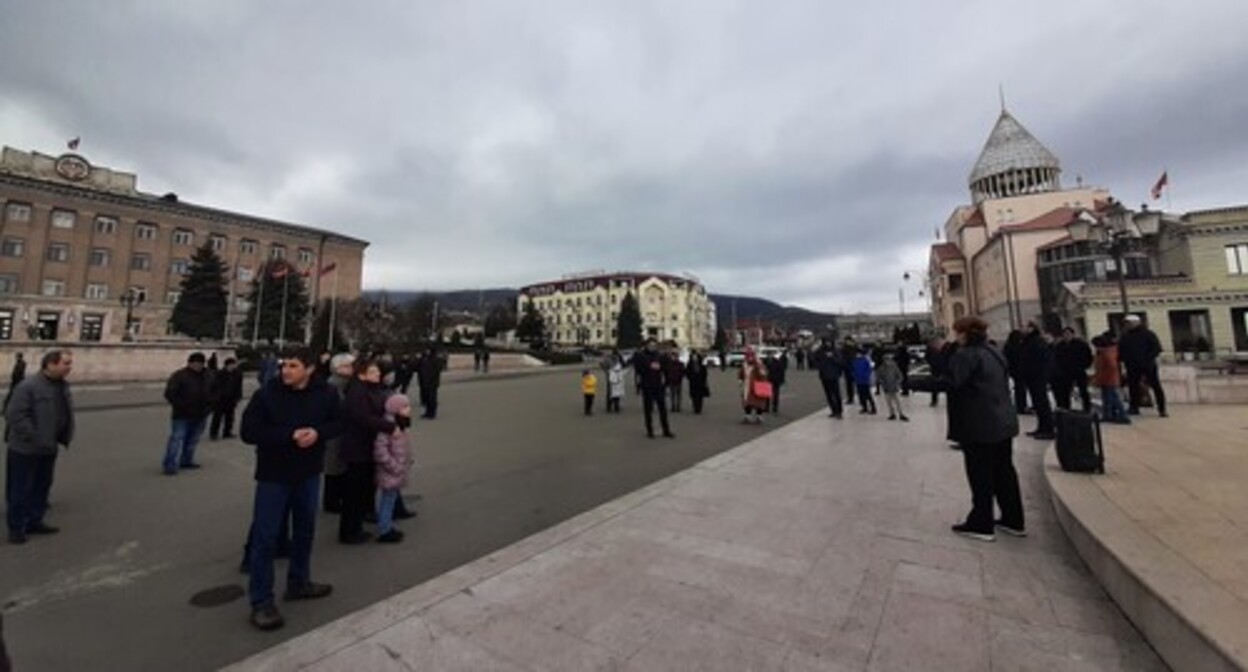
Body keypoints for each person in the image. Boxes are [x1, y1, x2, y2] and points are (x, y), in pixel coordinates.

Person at [240, 347, 341, 631]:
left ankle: (299, 582)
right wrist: (289, 435)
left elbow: (339, 422)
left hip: (308, 473)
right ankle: (261, 601)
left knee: (305, 530)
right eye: (285, 365)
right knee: (266, 536)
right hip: (274, 475)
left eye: (293, 366)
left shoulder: (327, 394)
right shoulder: (267, 394)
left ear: (309, 369)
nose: (285, 371)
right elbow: (248, 432)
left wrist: (319, 433)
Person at [946, 316, 1024, 542]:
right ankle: (1013, 519)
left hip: (979, 424)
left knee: (980, 474)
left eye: (957, 332)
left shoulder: (966, 355)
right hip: (1003, 421)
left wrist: (913, 383)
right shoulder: (994, 351)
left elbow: (952, 382)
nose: (955, 336)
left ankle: (981, 523)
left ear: (964, 333)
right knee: (1004, 472)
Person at [6, 350, 74, 545]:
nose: (69, 368)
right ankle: (16, 527)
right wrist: (34, 436)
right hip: (25, 448)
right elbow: (15, 415)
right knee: (20, 488)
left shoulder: (62, 386)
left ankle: (35, 520)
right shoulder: (28, 386)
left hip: (49, 446)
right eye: (66, 363)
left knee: (41, 486)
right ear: (50, 364)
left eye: (70, 364)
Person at [339, 358, 394, 544]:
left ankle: (357, 524)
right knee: (353, 491)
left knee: (363, 489)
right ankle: (349, 531)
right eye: (373, 372)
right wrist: (389, 426)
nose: (378, 374)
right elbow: (364, 418)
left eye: (377, 371)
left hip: (366, 445)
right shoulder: (357, 392)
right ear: (362, 374)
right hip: (357, 447)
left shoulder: (369, 390)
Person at [162, 352, 212, 474]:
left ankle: (186, 460)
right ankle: (170, 464)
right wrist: (181, 405)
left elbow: (215, 391)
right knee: (177, 438)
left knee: (193, 440)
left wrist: (210, 406)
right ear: (189, 363)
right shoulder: (179, 376)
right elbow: (170, 393)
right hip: (182, 414)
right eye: (195, 363)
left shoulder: (208, 375)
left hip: (201, 413)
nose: (197, 366)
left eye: (200, 363)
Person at [373, 393, 413, 544]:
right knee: (387, 500)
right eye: (405, 407)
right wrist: (394, 466)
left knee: (390, 498)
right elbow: (380, 451)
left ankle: (387, 525)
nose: (409, 409)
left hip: (397, 469)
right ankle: (385, 529)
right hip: (391, 471)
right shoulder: (388, 427)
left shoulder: (399, 424)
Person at [322, 353, 356, 514]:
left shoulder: (345, 383)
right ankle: (331, 501)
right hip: (334, 432)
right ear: (338, 368)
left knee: (339, 465)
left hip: (341, 430)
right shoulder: (334, 385)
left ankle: (336, 498)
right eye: (348, 366)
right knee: (333, 466)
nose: (352, 369)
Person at [1119, 315, 1167, 417]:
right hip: (1132, 365)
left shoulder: (1148, 334)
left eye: (1128, 323)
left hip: (1148, 365)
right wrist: (1124, 360)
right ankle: (1134, 407)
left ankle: (1162, 409)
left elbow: (1156, 348)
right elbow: (1122, 351)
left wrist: (1146, 358)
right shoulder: (1126, 336)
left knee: (1155, 386)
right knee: (1133, 386)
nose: (1127, 325)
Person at [1019, 323, 1055, 440]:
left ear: (1031, 328)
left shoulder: (1037, 341)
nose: (1022, 329)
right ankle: (1041, 427)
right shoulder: (1029, 341)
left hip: (1037, 377)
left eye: (1024, 327)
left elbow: (1042, 361)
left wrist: (1041, 375)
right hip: (1032, 377)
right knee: (1038, 403)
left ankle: (1048, 429)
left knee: (1042, 403)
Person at [633, 338, 674, 438]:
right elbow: (638, 368)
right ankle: (650, 430)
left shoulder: (659, 355)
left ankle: (666, 430)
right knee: (648, 409)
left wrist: (666, 383)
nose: (652, 347)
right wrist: (649, 366)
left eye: (654, 346)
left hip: (658, 385)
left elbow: (665, 367)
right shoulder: (641, 355)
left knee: (662, 409)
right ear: (646, 346)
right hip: (647, 386)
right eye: (650, 345)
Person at [1052, 327, 1094, 411]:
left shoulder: (1081, 344)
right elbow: (1056, 358)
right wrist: (1060, 369)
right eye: (1065, 334)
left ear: (1073, 334)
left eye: (1068, 334)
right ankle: (1067, 408)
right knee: (1066, 391)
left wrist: (1084, 366)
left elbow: (1088, 356)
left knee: (1083, 390)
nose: (1067, 336)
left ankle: (1087, 408)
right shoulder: (1059, 346)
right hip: (1065, 372)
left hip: (1079, 370)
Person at [1092, 333, 1130, 424]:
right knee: (1106, 398)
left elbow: (1111, 366)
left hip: (1109, 378)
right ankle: (1107, 415)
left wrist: (1100, 377)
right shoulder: (1103, 352)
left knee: (1114, 398)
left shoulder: (1107, 352)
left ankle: (1123, 415)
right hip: (1105, 378)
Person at [210, 357, 245, 440]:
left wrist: (239, 396)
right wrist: (215, 397)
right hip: (220, 398)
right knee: (217, 417)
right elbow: (214, 386)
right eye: (232, 365)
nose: (233, 366)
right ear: (227, 365)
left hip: (231, 398)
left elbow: (239, 386)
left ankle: (227, 432)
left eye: (234, 364)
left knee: (230, 416)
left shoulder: (237, 373)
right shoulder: (219, 373)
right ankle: (214, 433)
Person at [811, 339, 844, 418]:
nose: (827, 344)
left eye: (829, 342)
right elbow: (813, 359)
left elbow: (840, 362)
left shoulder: (835, 351)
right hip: (824, 375)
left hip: (834, 375)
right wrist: (820, 366)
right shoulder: (820, 351)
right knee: (828, 394)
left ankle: (839, 411)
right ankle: (833, 410)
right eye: (826, 342)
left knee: (836, 394)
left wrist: (832, 358)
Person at [739, 348, 770, 424]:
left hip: (758, 386)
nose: (749, 358)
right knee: (747, 401)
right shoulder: (745, 364)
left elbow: (763, 374)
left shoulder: (759, 364)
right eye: (747, 356)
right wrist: (740, 379)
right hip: (747, 385)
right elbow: (741, 373)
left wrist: (758, 366)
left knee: (758, 402)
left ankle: (759, 417)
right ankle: (747, 416)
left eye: (751, 356)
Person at [1003, 330, 1029, 414]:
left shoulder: (1008, 346)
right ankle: (1022, 406)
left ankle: (1020, 406)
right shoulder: (1018, 346)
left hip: (1015, 370)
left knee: (1019, 389)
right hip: (1019, 370)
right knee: (1021, 389)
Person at [878, 353, 908, 421]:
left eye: (888, 359)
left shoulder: (894, 367)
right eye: (885, 360)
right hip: (886, 387)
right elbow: (879, 377)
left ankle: (901, 414)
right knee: (889, 402)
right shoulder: (881, 368)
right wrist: (882, 383)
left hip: (894, 387)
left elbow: (900, 376)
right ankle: (892, 414)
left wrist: (897, 383)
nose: (887, 361)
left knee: (897, 402)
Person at [416, 347, 445, 419]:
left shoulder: (435, 359)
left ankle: (432, 413)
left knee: (432, 398)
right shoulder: (426, 359)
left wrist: (430, 378)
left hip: (432, 382)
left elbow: (437, 370)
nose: (426, 352)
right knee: (427, 398)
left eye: (428, 350)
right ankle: (428, 412)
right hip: (426, 381)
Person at [925, 336, 949, 407]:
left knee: (946, 384)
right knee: (934, 385)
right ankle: (934, 400)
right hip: (935, 368)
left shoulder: (946, 347)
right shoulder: (931, 348)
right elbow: (927, 357)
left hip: (943, 368)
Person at [852, 348, 877, 415]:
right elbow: (853, 369)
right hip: (858, 380)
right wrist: (854, 376)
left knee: (868, 394)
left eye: (858, 354)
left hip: (865, 381)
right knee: (861, 395)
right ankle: (864, 407)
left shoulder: (865, 360)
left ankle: (873, 408)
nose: (857, 355)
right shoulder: (855, 361)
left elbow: (869, 369)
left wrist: (866, 375)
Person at [840, 338, 859, 405]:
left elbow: (863, 352)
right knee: (849, 384)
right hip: (847, 369)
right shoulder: (843, 349)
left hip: (855, 368)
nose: (847, 342)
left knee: (859, 384)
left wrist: (855, 345)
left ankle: (861, 397)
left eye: (849, 341)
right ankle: (850, 398)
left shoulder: (855, 347)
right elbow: (841, 358)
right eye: (846, 341)